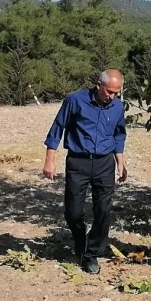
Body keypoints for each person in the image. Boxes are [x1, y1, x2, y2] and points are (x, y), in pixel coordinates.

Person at [42, 70, 128, 275]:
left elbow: (119, 135)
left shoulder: (117, 106)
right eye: (109, 92)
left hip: (104, 163)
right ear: (98, 84)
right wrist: (49, 161)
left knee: (104, 211)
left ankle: (91, 254)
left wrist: (121, 163)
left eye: (117, 92)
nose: (112, 96)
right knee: (72, 212)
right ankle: (80, 241)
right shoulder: (75, 100)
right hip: (78, 161)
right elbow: (57, 129)